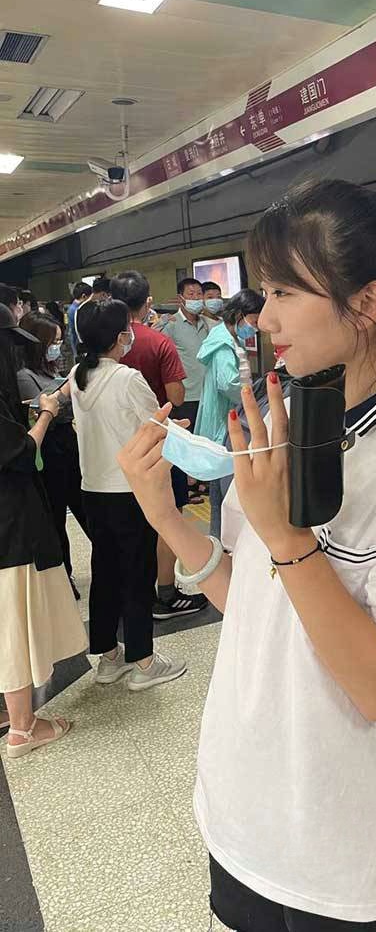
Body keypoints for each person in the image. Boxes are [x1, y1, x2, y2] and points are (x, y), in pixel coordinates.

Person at [119, 179, 376, 930]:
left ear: (369, 302)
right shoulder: (284, 418)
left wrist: (290, 540)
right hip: (243, 809)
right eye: (265, 293)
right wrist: (164, 515)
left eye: (286, 292)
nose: (265, 318)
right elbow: (249, 600)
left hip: (352, 846)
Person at [69, 299, 186, 691]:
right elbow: (156, 426)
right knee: (138, 573)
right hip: (128, 490)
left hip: (93, 489)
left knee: (105, 571)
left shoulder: (77, 375)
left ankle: (108, 657)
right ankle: (144, 662)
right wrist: (179, 430)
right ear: (119, 337)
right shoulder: (128, 378)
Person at [0, 302, 87, 757]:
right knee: (12, 623)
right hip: (9, 526)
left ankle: (8, 711)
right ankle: (23, 728)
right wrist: (47, 413)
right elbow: (20, 455)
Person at [109, 270, 207, 619]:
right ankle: (165, 592)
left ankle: (132, 591)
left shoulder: (100, 347)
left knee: (129, 523)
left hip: (117, 449)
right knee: (167, 515)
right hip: (159, 446)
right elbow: (177, 395)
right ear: (147, 300)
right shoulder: (158, 341)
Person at [17, 312, 89, 602]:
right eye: (53, 342)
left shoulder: (50, 371)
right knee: (56, 516)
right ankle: (63, 575)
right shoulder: (24, 376)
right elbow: (44, 410)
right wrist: (62, 396)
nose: (57, 348)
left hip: (68, 447)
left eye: (59, 342)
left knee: (84, 508)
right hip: (48, 451)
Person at [194, 289, 264, 538]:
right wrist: (254, 400)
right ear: (239, 315)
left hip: (231, 418)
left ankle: (221, 537)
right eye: (254, 321)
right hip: (225, 422)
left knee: (221, 488)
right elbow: (228, 383)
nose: (255, 328)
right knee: (223, 491)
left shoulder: (230, 338)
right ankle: (220, 540)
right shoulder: (223, 344)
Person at [155, 278, 212, 503]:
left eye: (199, 294)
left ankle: (199, 481)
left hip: (207, 393)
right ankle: (186, 487)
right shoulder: (171, 325)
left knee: (202, 440)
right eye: (191, 294)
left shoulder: (207, 324)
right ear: (181, 298)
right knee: (185, 442)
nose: (196, 298)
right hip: (185, 393)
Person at [67, 282, 92, 356]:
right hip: (79, 343)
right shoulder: (76, 310)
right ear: (84, 296)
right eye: (90, 297)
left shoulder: (73, 308)